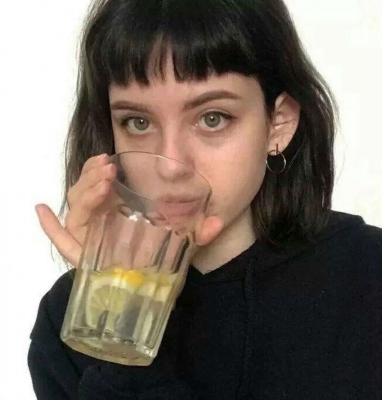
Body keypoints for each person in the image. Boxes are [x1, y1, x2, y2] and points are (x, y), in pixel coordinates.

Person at [28, 0, 382, 399]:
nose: (172, 165)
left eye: (212, 118)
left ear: (278, 123)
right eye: (138, 122)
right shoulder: (72, 320)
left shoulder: (369, 277)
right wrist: (122, 330)